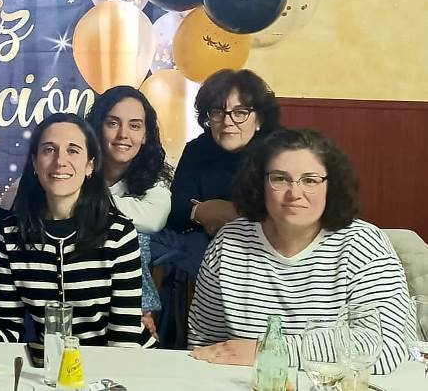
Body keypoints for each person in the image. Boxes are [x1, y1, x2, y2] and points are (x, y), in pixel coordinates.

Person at [188, 129, 415, 375]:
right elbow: (205, 345)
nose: (294, 193)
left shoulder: (363, 244)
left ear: (331, 185)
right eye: (280, 178)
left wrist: (268, 351)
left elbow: (388, 349)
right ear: (260, 184)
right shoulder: (229, 242)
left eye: (310, 180)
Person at [0, 113, 155, 353]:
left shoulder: (119, 234)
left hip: (119, 362)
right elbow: (7, 325)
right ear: (35, 163)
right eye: (49, 150)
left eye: (73, 150)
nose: (60, 161)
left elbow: (124, 338)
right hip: (53, 363)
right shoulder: (12, 233)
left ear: (90, 164)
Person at [153, 68, 281, 348]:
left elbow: (278, 212)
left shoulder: (278, 152)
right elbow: (176, 208)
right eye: (217, 111)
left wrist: (223, 212)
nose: (227, 121)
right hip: (204, 248)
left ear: (258, 118)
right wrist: (203, 212)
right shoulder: (198, 149)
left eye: (240, 112)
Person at [86, 86, 172, 339]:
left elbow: (153, 220)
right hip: (75, 290)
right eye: (113, 123)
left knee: (132, 234)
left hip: (128, 299)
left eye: (135, 126)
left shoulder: (155, 178)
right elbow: (20, 198)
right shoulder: (73, 162)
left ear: (145, 135)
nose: (123, 134)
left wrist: (80, 199)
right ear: (97, 127)